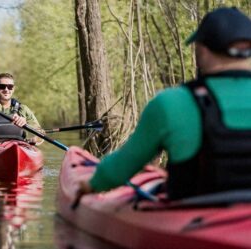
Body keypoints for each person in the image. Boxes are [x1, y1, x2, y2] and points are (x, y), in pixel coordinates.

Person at [75, 7, 251, 200]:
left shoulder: (171, 102)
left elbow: (121, 168)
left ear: (202, 49)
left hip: (191, 215)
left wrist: (89, 185)